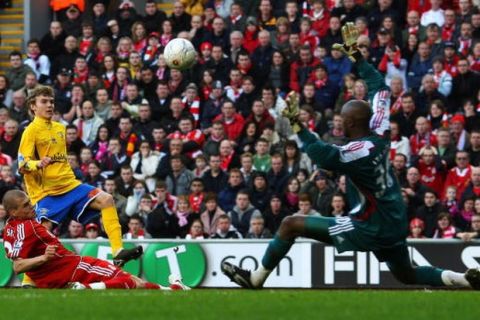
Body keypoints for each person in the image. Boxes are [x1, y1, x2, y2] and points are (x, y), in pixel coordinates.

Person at [221, 23, 480, 290]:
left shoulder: (357, 152)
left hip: (369, 226)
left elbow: (322, 155)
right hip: (393, 217)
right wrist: (355, 54)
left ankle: (256, 279)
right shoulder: (379, 128)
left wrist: (296, 123)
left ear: (349, 124)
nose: (339, 123)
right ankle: (465, 280)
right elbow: (379, 86)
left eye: (342, 120)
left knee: (290, 224)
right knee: (406, 275)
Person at [18, 86, 143, 287]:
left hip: (71, 186)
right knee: (42, 233)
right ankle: (28, 279)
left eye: (51, 101)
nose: (49, 105)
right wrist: (37, 164)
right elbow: (22, 164)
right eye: (44, 102)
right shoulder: (30, 132)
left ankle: (118, 251)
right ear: (33, 106)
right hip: (46, 193)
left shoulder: (60, 128)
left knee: (107, 200)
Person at [1, 190, 188, 290]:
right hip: (72, 267)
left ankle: (174, 289)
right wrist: (43, 258)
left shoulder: (11, 228)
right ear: (13, 212)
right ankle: (87, 288)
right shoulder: (28, 226)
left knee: (133, 281)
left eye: (29, 202)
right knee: (126, 280)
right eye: (25, 206)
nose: (31, 206)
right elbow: (18, 266)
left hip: (56, 276)